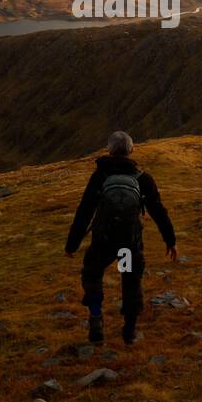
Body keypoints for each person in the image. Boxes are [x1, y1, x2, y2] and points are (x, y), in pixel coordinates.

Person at [65, 130, 177, 344]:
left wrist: (72, 244)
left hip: (103, 242)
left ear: (109, 150)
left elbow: (85, 210)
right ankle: (130, 331)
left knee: (93, 273)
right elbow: (158, 211)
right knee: (130, 280)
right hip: (128, 244)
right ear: (131, 150)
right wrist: (170, 241)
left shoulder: (100, 176)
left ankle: (96, 315)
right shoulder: (143, 179)